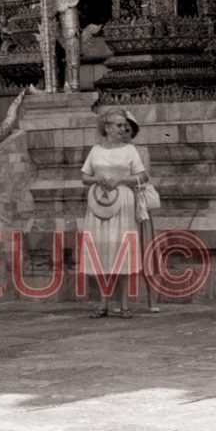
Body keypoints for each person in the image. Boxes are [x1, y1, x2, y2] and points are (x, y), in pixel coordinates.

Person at [81, 108, 149, 319]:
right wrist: (97, 180)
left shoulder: (129, 150)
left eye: (124, 125)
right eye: (118, 125)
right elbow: (85, 176)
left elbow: (142, 175)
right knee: (101, 250)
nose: (123, 128)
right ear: (107, 128)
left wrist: (119, 180)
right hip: (99, 200)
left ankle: (124, 304)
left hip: (123, 200)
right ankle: (103, 304)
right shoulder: (96, 150)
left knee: (122, 249)